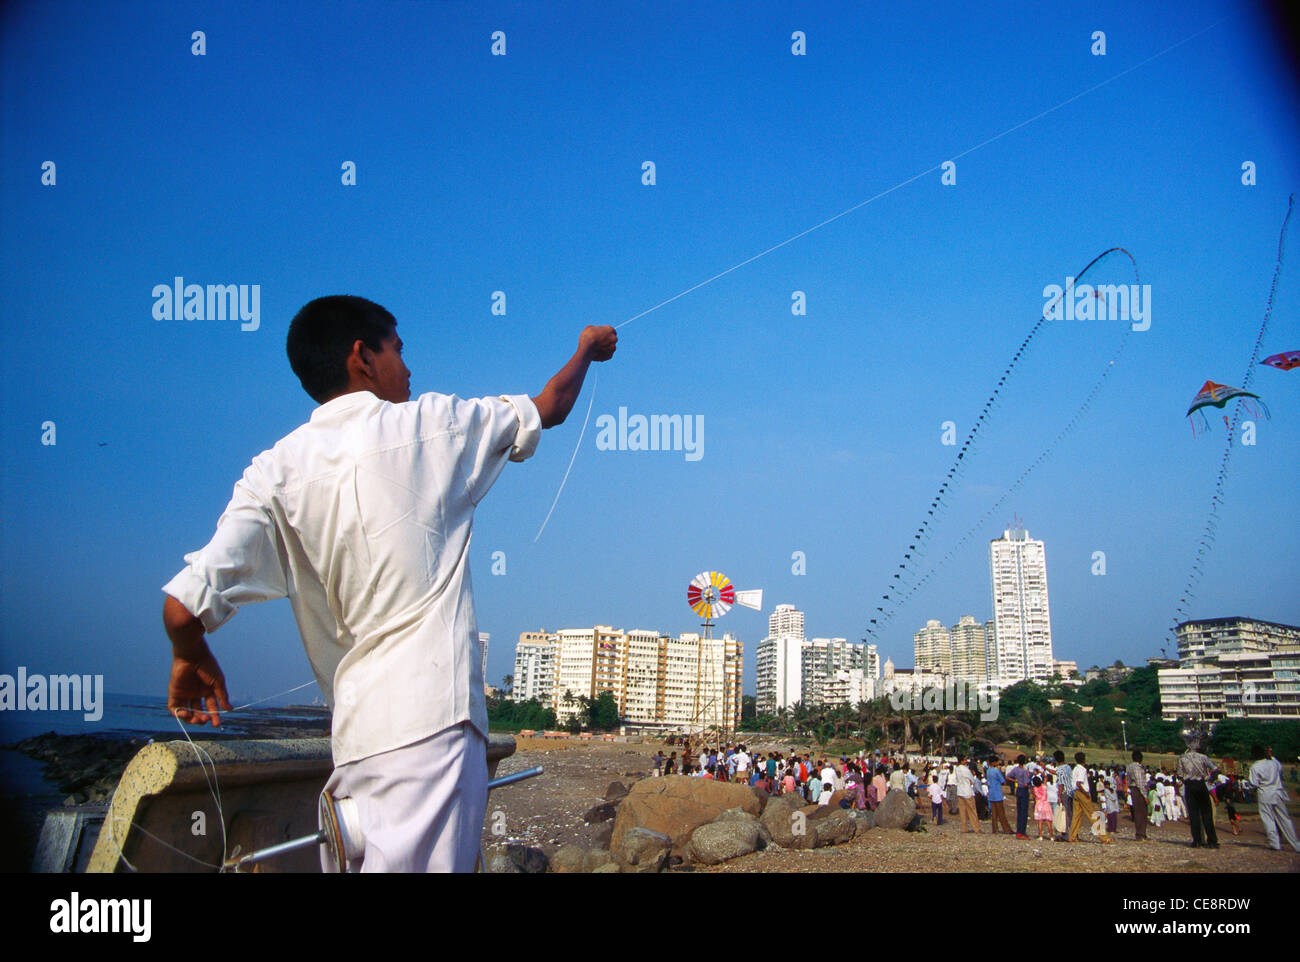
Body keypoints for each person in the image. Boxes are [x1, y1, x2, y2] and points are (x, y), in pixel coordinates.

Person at [161, 295, 617, 872]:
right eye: (398, 350)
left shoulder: (271, 471)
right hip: (431, 728)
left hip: (354, 746)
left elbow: (183, 607)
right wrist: (584, 351)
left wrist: (189, 654)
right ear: (363, 357)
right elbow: (548, 407)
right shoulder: (432, 424)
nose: (408, 367)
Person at [1248, 745, 1300, 852]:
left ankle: (1275, 843)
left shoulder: (1255, 766)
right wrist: (1270, 755)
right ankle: (1296, 844)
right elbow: (1279, 768)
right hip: (1278, 792)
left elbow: (1253, 784)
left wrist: (1245, 785)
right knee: (1285, 819)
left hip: (1265, 793)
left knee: (1268, 819)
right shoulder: (1274, 763)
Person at [1176, 740, 1219, 849]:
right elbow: (1215, 769)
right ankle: (1212, 841)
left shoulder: (1182, 758)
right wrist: (1210, 780)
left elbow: (1180, 774)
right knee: (1207, 813)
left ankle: (1197, 841)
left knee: (1193, 814)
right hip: (1201, 784)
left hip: (1189, 786)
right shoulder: (1203, 757)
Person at [1068, 752, 1112, 844]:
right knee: (1092, 814)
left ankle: (1072, 836)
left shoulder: (1075, 769)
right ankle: (1104, 838)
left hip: (1075, 792)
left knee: (1077, 815)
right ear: (1084, 759)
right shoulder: (1082, 769)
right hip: (1082, 792)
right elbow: (1078, 783)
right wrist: (1086, 794)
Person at [1007, 754, 1033, 838]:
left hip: (1018, 790)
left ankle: (1018, 831)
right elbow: (1026, 783)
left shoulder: (1015, 769)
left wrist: (1015, 780)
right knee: (1024, 812)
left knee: (1019, 811)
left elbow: (1007, 776)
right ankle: (1022, 832)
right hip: (1024, 790)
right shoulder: (1024, 771)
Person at [1126, 751, 1149, 840]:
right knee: (1142, 813)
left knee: (1137, 812)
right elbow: (1140, 783)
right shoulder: (1138, 768)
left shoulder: (1129, 767)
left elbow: (1128, 780)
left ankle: (1139, 833)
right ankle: (1141, 834)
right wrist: (1145, 796)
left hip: (1133, 789)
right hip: (1138, 790)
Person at [985, 757, 1011, 834]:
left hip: (991, 794)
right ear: (994, 763)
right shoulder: (996, 771)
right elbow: (1003, 781)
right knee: (1001, 813)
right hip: (997, 794)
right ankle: (1006, 829)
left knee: (994, 814)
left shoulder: (988, 771)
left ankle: (995, 829)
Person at [955, 756, 980, 833]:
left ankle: (964, 828)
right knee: (972, 810)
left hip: (960, 791)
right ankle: (976, 828)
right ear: (962, 761)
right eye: (965, 760)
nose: (966, 761)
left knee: (962, 811)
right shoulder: (965, 769)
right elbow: (972, 779)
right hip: (967, 791)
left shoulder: (957, 769)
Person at [1053, 750, 1074, 840]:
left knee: (1064, 814)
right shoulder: (1068, 767)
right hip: (1071, 792)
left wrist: (1059, 796)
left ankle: (1066, 835)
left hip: (1064, 792)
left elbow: (1061, 784)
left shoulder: (1060, 769)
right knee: (1070, 813)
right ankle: (1073, 833)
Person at [1032, 774, 1052, 839]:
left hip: (1039, 804)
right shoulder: (1044, 786)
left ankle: (1040, 836)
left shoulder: (1034, 789)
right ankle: (1051, 836)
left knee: (1040, 821)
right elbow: (1046, 779)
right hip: (1046, 804)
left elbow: (1034, 797)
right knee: (1048, 821)